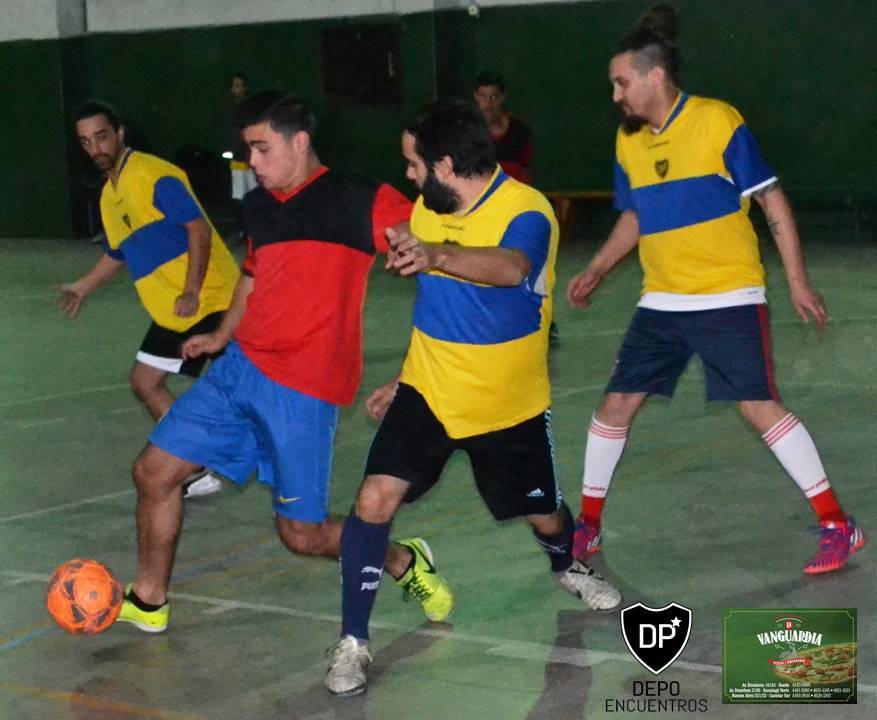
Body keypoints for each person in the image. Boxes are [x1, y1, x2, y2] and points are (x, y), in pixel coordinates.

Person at [113, 91, 452, 635]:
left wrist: (424, 253)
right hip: (239, 370)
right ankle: (150, 600)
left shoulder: (361, 199)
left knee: (301, 535)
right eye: (248, 150)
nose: (254, 163)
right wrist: (221, 334)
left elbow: (438, 247)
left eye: (263, 149)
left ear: (300, 142)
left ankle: (401, 560)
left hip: (303, 388)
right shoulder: (259, 206)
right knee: (153, 472)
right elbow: (253, 274)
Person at [325, 100, 621, 698]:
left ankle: (566, 564)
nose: (408, 175)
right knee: (373, 499)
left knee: (544, 513)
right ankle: (353, 640)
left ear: (445, 164)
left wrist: (437, 254)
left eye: (414, 164)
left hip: (507, 403)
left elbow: (511, 268)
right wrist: (403, 377)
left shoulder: (526, 209)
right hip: (431, 389)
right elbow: (435, 306)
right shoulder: (425, 210)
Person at [567, 5, 866, 575]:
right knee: (615, 405)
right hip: (661, 301)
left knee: (757, 405)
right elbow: (635, 215)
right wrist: (598, 268)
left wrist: (797, 281)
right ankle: (589, 525)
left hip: (729, 296)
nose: (615, 95)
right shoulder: (629, 143)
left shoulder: (717, 121)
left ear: (655, 76)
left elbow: (771, 198)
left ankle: (837, 524)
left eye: (622, 82)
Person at [59, 101, 240, 498]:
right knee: (145, 382)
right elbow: (118, 252)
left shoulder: (154, 174)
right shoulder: (109, 195)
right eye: (86, 142)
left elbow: (198, 229)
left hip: (210, 300)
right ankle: (196, 466)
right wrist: (82, 287)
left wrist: (191, 288)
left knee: (252, 392)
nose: (95, 148)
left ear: (120, 132)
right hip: (174, 312)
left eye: (101, 136)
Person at [473, 70, 533, 185]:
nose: (488, 103)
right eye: (483, 96)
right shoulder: (468, 131)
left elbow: (526, 169)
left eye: (494, 97)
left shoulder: (520, 130)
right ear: (475, 96)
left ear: (502, 97)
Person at [227, 72, 258, 204]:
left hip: (250, 155)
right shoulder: (229, 107)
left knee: (254, 190)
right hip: (237, 156)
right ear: (231, 89)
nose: (238, 89)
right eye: (236, 86)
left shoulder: (252, 106)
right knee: (239, 193)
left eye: (241, 85)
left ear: (245, 87)